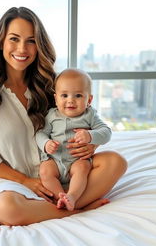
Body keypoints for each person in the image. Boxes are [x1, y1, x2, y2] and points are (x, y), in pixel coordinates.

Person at [0, 7, 127, 226]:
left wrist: (89, 144)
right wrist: (26, 181)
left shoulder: (51, 86)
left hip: (58, 174)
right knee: (7, 208)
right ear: (0, 42)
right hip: (8, 184)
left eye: (31, 40)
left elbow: (81, 118)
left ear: (39, 45)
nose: (22, 48)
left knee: (115, 162)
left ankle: (64, 200)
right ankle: (76, 210)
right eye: (14, 39)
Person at [36, 68, 112, 211]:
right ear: (56, 99)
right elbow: (40, 133)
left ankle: (72, 196)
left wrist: (90, 136)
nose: (70, 100)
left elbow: (106, 132)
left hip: (77, 161)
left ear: (89, 99)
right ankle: (61, 198)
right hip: (56, 160)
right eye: (64, 95)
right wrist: (46, 144)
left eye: (78, 95)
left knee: (82, 168)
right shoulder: (52, 115)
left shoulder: (90, 115)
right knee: (45, 171)